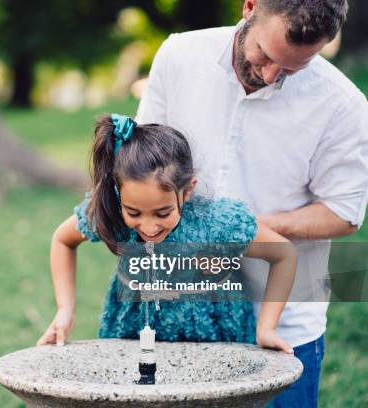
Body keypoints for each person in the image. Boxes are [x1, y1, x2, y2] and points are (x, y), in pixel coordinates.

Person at [135, 0, 368, 406]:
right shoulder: (179, 55)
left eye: (294, 67)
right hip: (184, 314)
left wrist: (241, 231)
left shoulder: (343, 105)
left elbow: (345, 214)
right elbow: (143, 163)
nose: (271, 75)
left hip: (284, 329)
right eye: (265, 55)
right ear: (249, 7)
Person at [37, 114, 297, 355]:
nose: (149, 228)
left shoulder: (217, 223)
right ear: (119, 193)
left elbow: (283, 255)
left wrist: (267, 327)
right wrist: (65, 310)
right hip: (133, 336)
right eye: (134, 213)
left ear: (188, 190)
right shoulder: (112, 212)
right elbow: (63, 240)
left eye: (163, 213)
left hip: (215, 341)